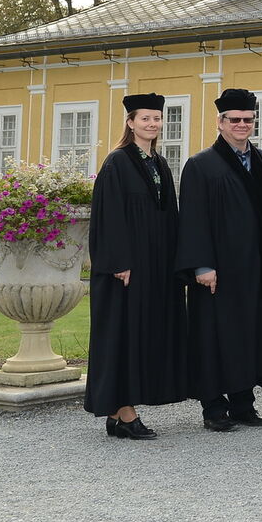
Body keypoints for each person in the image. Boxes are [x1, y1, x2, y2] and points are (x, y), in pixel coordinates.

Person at [175, 88, 262, 432]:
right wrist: (202, 265)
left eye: (248, 119)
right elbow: (192, 219)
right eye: (235, 119)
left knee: (248, 334)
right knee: (214, 337)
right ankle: (213, 407)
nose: (242, 124)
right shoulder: (201, 165)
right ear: (220, 122)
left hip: (257, 268)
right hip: (219, 270)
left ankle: (243, 404)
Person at [84, 92, 187, 440]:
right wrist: (118, 262)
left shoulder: (159, 163)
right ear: (130, 122)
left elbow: (169, 216)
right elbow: (108, 216)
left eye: (157, 118)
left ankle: (117, 413)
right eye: (145, 118)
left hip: (153, 266)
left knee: (139, 336)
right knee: (121, 336)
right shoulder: (117, 162)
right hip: (124, 270)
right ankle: (125, 414)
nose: (152, 124)